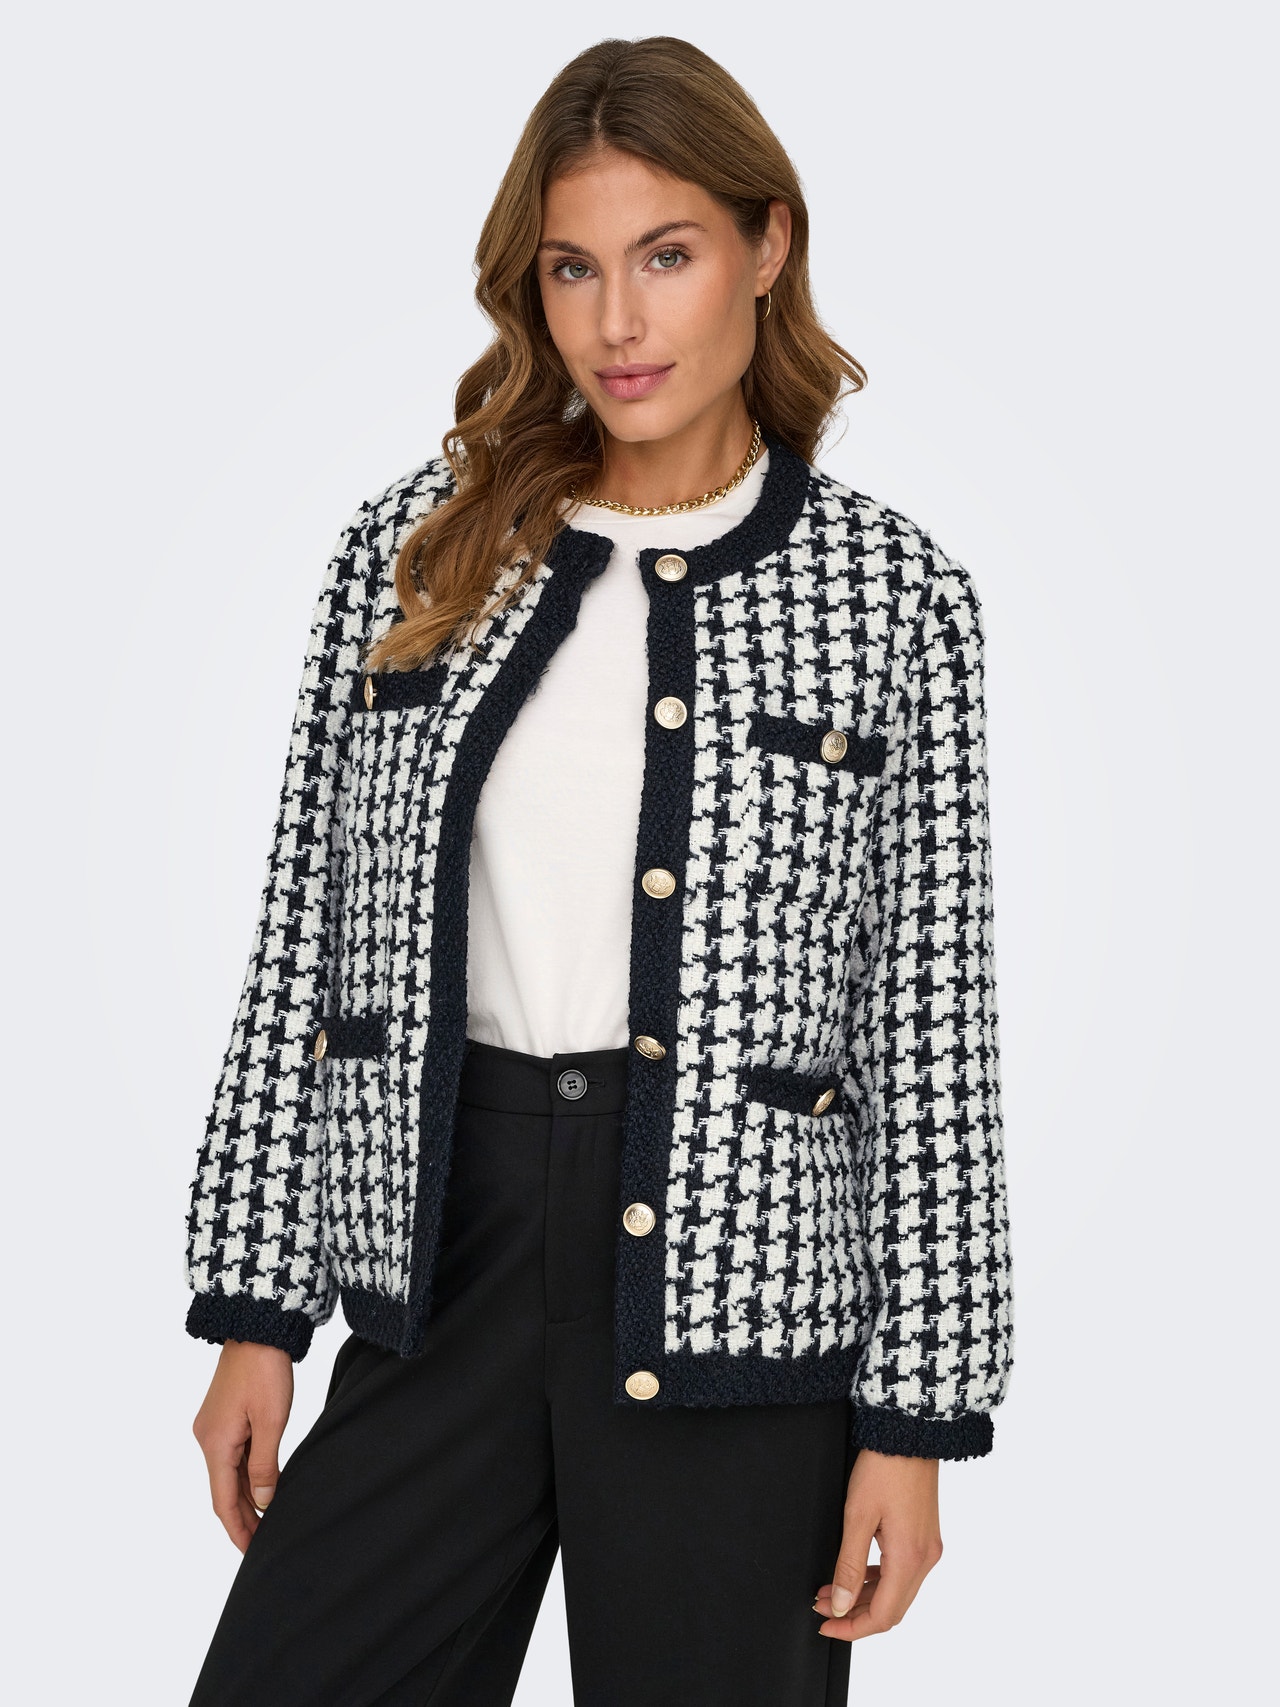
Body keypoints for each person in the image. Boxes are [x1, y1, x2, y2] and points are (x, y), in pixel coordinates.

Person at [182, 33, 1015, 1707]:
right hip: (442, 1258)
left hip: (744, 1307)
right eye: (573, 268)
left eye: (667, 256)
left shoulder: (891, 597)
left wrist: (919, 1419)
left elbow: (930, 1033)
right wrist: (257, 1307)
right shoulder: (417, 557)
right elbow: (302, 945)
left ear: (768, 246)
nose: (618, 322)